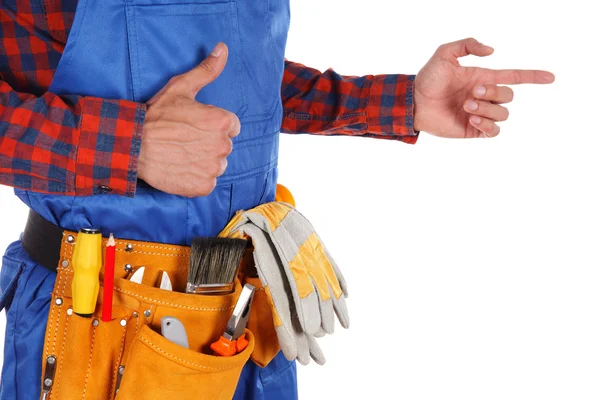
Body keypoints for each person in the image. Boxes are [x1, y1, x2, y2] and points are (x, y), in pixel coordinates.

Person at [0, 0, 554, 399]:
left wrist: (399, 103)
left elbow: (239, 73)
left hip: (253, 321)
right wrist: (131, 145)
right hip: (96, 330)